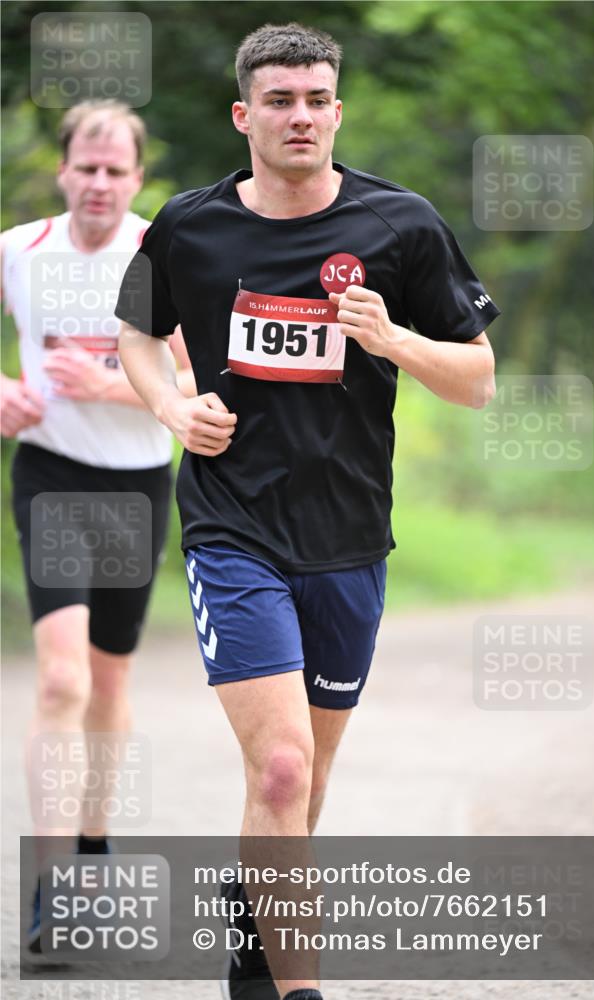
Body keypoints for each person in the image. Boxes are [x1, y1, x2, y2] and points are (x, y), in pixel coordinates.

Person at [116, 22, 499, 1000]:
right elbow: (136, 335)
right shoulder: (191, 225)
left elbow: (479, 381)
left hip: (348, 536)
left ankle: (253, 942)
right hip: (231, 524)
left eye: (317, 98)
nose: (301, 116)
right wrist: (171, 407)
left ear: (338, 109)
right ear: (245, 114)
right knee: (282, 770)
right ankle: (301, 991)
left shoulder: (401, 227)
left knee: (306, 777)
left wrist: (392, 337)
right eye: (280, 100)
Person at [1, 99, 190, 954]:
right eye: (88, 167)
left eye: (118, 171)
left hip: (138, 485)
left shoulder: (163, 253)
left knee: (108, 687)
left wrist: (111, 382)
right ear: (63, 171)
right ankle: (49, 885)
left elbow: (194, 382)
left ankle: (92, 840)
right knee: (61, 682)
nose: (101, 184)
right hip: (49, 477)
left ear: (138, 179)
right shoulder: (18, 252)